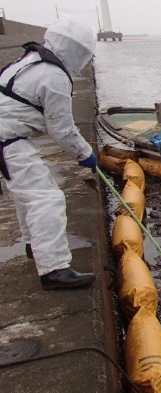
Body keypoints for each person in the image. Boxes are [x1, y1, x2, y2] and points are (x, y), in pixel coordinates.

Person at [0, 15, 97, 290]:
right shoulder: (54, 76)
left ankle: (34, 244)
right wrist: (84, 154)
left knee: (27, 195)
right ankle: (53, 268)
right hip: (8, 139)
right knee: (47, 199)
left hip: (7, 137)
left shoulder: (30, 61)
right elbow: (62, 128)